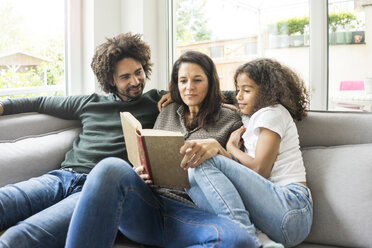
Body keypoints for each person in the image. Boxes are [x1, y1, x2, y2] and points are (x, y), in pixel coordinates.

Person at [65, 51, 256, 248]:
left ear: (211, 82)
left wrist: (221, 150)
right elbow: (150, 155)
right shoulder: (167, 111)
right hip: (146, 204)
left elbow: (241, 176)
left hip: (190, 213)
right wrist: (140, 172)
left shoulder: (231, 119)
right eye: (183, 81)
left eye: (197, 80)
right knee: (110, 167)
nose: (189, 87)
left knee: (238, 240)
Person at [0, 32, 171, 248]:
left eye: (138, 72)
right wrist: (4, 106)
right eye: (125, 77)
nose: (136, 81)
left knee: (17, 238)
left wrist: (179, 92)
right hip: (61, 178)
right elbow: (40, 102)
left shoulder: (156, 100)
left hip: (97, 190)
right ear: (110, 80)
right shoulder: (90, 102)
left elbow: (217, 94)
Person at [187, 58, 313, 248]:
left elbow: (260, 170)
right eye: (238, 89)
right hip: (272, 219)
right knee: (189, 175)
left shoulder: (273, 113)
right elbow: (221, 100)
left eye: (246, 91)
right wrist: (174, 96)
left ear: (267, 92)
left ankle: (245, 239)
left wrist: (229, 148)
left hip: (292, 208)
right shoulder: (251, 117)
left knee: (203, 159)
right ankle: (261, 242)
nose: (239, 96)